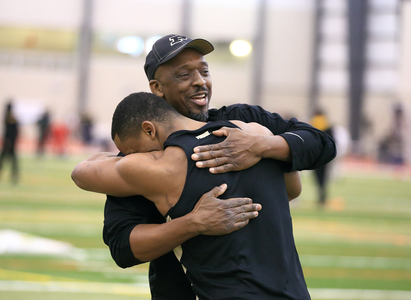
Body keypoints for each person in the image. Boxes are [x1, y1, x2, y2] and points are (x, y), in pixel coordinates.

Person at [101, 34, 336, 299]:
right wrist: (193, 223)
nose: (200, 81)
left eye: (204, 71)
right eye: (184, 75)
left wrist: (260, 146)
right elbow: (123, 247)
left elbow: (322, 144)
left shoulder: (245, 121)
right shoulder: (146, 154)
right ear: (157, 88)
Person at [73, 92, 310, 299]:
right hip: (295, 293)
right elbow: (292, 190)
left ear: (149, 129)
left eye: (131, 151)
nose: (130, 156)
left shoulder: (162, 166)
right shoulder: (258, 132)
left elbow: (82, 172)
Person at [310, 108, 334, 208]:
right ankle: (323, 197)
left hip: (315, 155)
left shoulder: (313, 123)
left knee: (318, 177)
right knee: (324, 178)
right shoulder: (328, 125)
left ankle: (320, 197)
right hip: (326, 155)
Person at [0, 101, 19, 184]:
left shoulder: (7, 117)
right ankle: (14, 176)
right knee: (12, 162)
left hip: (7, 142)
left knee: (1, 161)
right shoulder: (12, 118)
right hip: (11, 143)